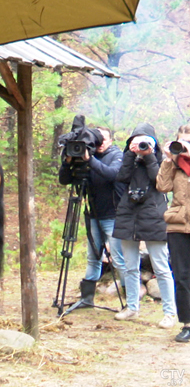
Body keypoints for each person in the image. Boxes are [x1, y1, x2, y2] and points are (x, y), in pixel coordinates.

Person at [112, 122, 177, 328]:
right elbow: (121, 178)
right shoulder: (129, 159)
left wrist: (148, 156)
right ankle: (132, 307)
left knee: (161, 267)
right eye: (136, 141)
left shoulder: (161, 160)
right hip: (128, 214)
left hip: (153, 216)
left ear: (154, 143)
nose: (141, 145)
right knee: (130, 266)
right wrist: (131, 154)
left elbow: (159, 183)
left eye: (145, 141)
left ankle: (169, 313)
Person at [59, 126, 126, 309]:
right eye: (97, 140)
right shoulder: (86, 155)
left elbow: (112, 174)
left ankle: (130, 300)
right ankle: (87, 298)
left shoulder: (117, 155)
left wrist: (90, 160)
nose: (100, 143)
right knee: (93, 257)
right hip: (92, 215)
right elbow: (65, 180)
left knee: (118, 258)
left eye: (104, 139)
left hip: (112, 215)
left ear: (110, 140)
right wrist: (68, 161)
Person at [156, 123, 190, 341]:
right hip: (178, 224)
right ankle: (187, 323)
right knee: (182, 275)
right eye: (182, 140)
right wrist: (169, 159)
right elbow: (162, 186)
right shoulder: (175, 164)